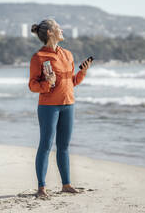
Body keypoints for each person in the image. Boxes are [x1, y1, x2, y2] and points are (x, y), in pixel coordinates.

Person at [28, 19, 92, 198]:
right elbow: (32, 85)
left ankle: (66, 184)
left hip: (68, 105)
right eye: (58, 28)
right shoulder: (38, 57)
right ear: (50, 32)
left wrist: (83, 72)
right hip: (48, 107)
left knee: (63, 146)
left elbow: (71, 83)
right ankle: (41, 187)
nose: (62, 30)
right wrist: (47, 85)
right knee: (46, 145)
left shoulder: (68, 55)